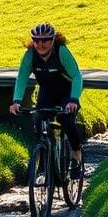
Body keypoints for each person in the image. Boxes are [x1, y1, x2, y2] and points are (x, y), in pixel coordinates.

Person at [9, 22, 84, 178]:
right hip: (46, 92)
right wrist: (16, 101)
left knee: (67, 121)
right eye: (36, 40)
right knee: (38, 121)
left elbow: (77, 76)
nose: (40, 44)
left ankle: (76, 157)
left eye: (45, 40)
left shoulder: (61, 51)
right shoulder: (30, 55)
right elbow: (22, 76)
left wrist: (73, 100)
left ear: (52, 40)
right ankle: (43, 162)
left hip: (66, 92)